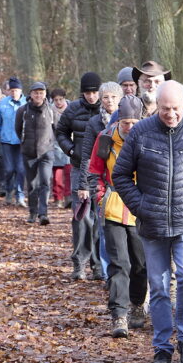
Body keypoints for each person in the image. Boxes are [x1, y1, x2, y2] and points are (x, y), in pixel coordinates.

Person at [112, 80, 183, 363]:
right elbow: (121, 174)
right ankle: (162, 347)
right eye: (164, 109)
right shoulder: (140, 132)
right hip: (152, 222)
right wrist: (140, 205)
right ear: (155, 106)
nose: (170, 114)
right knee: (159, 286)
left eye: (175, 108)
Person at [88, 94, 148, 338]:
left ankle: (137, 304)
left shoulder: (148, 137)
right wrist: (100, 197)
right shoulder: (105, 139)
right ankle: (119, 314)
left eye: (134, 122)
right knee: (118, 263)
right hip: (113, 206)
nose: (130, 127)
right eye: (126, 123)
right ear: (119, 121)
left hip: (141, 209)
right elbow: (94, 170)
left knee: (140, 263)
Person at [55, 72, 104, 281]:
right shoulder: (73, 109)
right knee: (82, 217)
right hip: (78, 168)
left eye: (94, 92)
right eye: (88, 92)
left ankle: (99, 264)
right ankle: (80, 263)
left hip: (101, 170)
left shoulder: (107, 110)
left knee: (101, 217)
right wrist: (71, 150)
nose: (91, 96)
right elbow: (60, 132)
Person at [78, 82, 123, 278]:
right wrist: (85, 184)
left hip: (126, 183)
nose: (109, 100)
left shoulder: (131, 120)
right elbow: (87, 154)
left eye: (113, 97)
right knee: (103, 228)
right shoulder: (94, 123)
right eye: (106, 97)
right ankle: (106, 272)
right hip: (103, 184)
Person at [15, 82, 60, 225]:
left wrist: (50, 143)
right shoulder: (23, 111)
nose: (38, 95)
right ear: (31, 94)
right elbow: (17, 129)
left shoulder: (52, 110)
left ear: (45, 94)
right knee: (33, 184)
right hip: (29, 153)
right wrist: (25, 143)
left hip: (47, 152)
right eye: (36, 93)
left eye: (41, 92)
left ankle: (43, 214)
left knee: (45, 182)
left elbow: (58, 129)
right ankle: (33, 212)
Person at [0, 77, 27, 206]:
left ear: (21, 90)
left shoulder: (27, 103)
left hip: (22, 142)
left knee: (20, 169)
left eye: (16, 90)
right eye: (11, 90)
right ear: (8, 91)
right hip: (6, 141)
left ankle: (20, 195)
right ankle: (8, 191)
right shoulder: (3, 103)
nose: (14, 93)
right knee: (9, 169)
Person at [49, 88, 72, 208]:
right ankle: (58, 197)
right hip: (55, 143)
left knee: (69, 172)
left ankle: (68, 196)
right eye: (56, 100)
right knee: (57, 174)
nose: (58, 102)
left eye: (60, 99)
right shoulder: (50, 110)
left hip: (69, 141)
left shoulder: (71, 108)